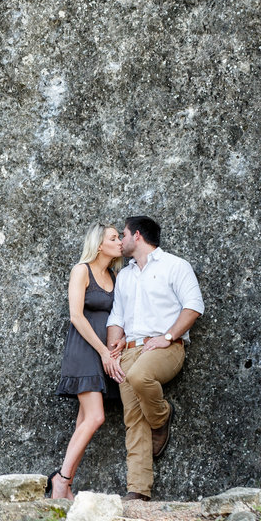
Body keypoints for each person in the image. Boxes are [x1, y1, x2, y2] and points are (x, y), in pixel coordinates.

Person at [106, 215, 204, 501]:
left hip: (165, 348)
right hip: (130, 350)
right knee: (132, 419)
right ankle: (138, 489)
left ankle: (161, 417)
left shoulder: (175, 266)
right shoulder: (124, 275)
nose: (120, 241)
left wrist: (169, 336)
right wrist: (114, 344)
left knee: (140, 376)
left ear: (137, 236)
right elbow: (117, 318)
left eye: (122, 235)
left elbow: (194, 306)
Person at [50, 223, 126, 500]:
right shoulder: (81, 270)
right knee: (96, 417)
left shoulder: (115, 275)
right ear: (98, 243)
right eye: (114, 238)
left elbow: (120, 316)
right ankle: (61, 480)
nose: (120, 242)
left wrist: (120, 341)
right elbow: (76, 316)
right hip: (84, 350)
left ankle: (64, 486)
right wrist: (103, 351)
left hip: (105, 352)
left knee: (84, 421)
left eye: (120, 237)